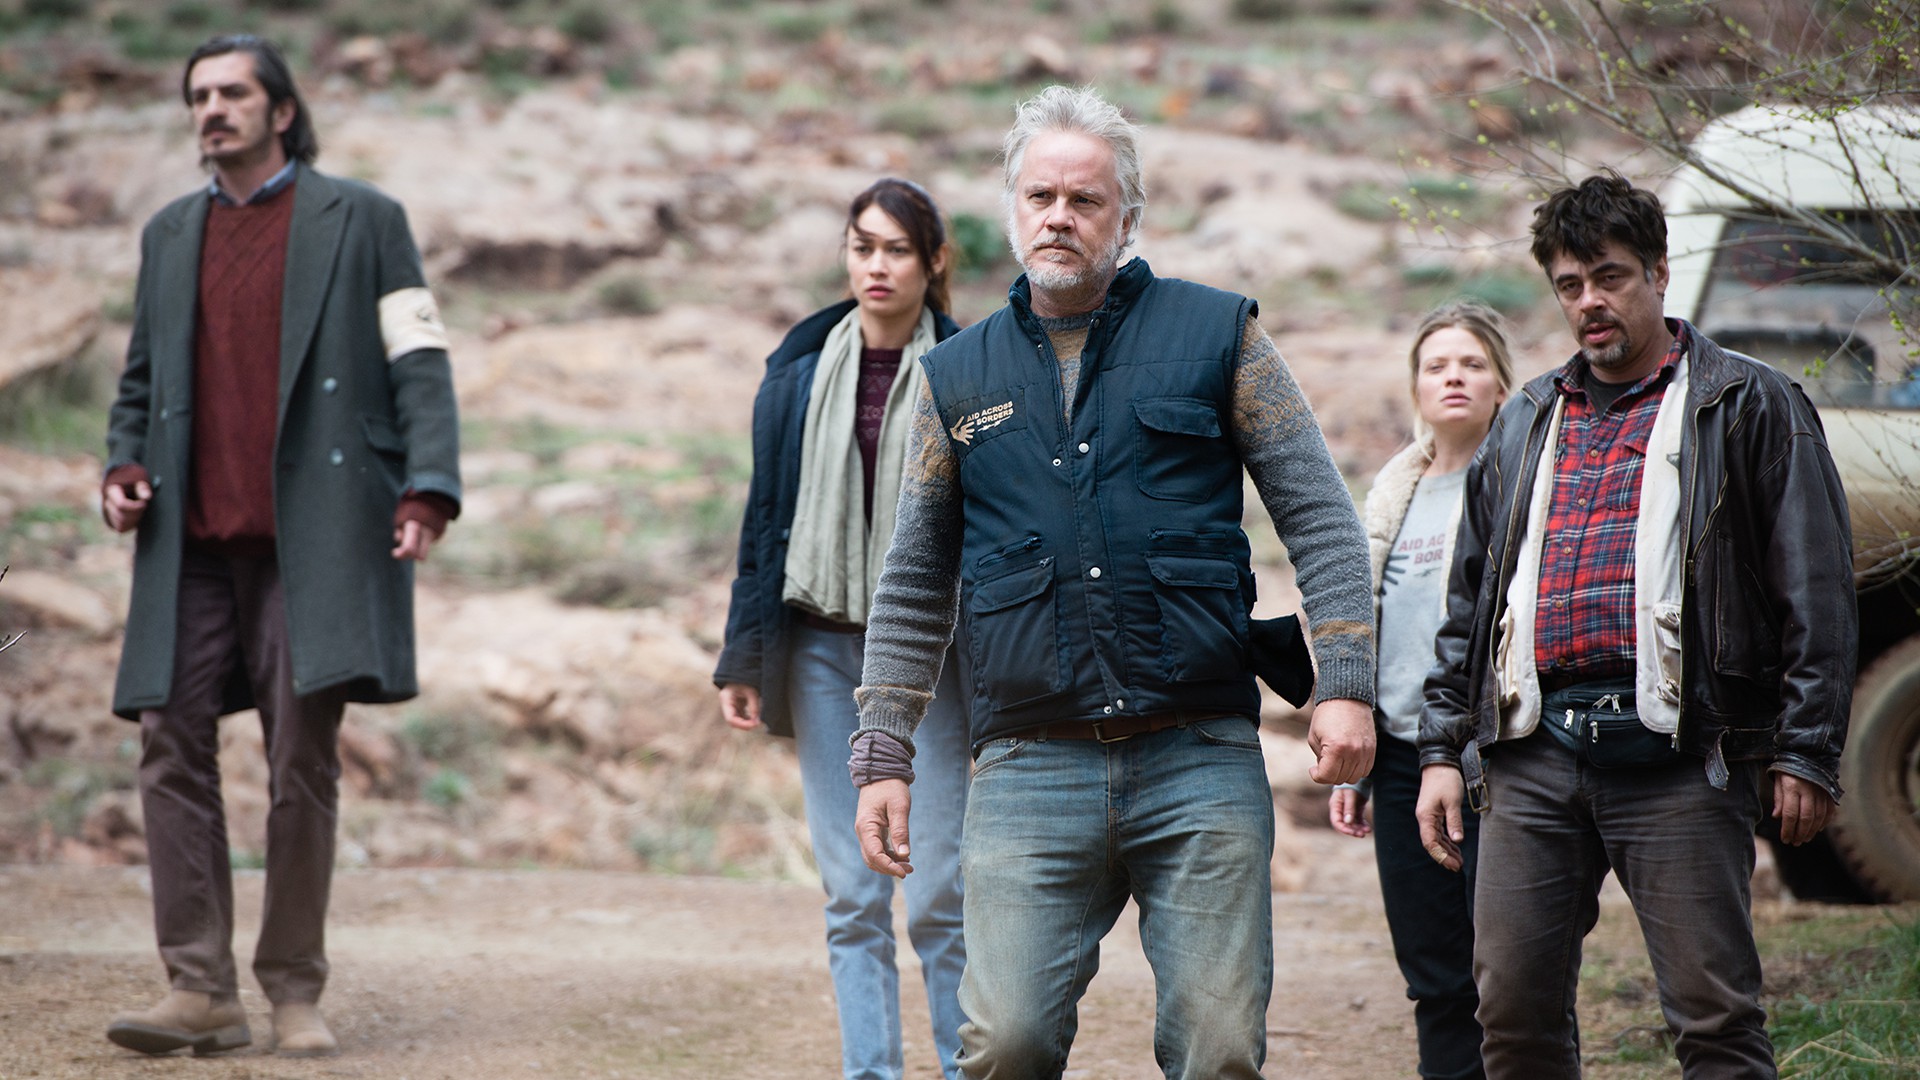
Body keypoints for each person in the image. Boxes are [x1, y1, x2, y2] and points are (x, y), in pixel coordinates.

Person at [848, 84, 1378, 1078]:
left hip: (1200, 753)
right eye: (1040, 196)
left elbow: (1320, 515)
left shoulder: (1219, 336)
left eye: (1084, 199)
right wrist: (883, 749)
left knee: (1219, 1050)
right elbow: (914, 580)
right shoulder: (956, 378)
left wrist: (1346, 683)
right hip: (1027, 764)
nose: (1060, 216)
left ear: (1127, 217)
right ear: (1011, 209)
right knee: (1004, 1044)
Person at [1415, 172, 1856, 1077]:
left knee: (1714, 1017)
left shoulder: (1750, 403)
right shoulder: (1524, 419)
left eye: (1610, 277)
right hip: (1532, 753)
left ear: (1658, 272)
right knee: (1512, 1011)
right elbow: (1470, 605)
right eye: (1570, 285)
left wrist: (1806, 750)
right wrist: (1439, 751)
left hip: (1684, 755)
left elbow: (1816, 589)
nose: (1590, 302)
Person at [100, 34, 461, 1059]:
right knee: (168, 742)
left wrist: (428, 485)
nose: (212, 110)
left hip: (318, 539)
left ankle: (294, 988)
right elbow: (140, 380)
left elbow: (420, 361)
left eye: (233, 93)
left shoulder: (365, 220)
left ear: (282, 112)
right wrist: (123, 464)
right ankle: (198, 988)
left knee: (301, 758)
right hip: (192, 544)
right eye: (198, 96)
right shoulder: (171, 233)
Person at [714, 178, 971, 1080]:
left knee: (940, 891)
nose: (877, 265)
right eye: (863, 247)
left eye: (897, 249)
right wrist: (743, 655)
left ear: (934, 261)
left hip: (934, 659)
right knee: (853, 895)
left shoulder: (973, 371)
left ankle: (961, 1066)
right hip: (820, 647)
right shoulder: (797, 372)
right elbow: (766, 520)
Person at [1330, 301, 1514, 1080]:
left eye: (1472, 363)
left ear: (1502, 384)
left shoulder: (1520, 481)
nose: (1454, 378)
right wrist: (1362, 762)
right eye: (1437, 366)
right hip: (1403, 760)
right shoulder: (1393, 493)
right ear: (1416, 388)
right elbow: (1370, 631)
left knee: (1512, 977)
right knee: (1434, 978)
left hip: (1498, 756)